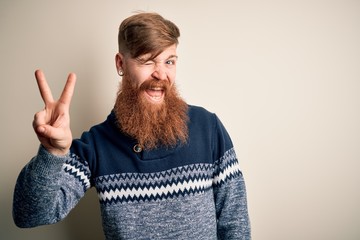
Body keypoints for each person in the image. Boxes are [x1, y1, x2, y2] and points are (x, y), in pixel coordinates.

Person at [13, 12, 251, 239]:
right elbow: (30, 215)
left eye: (169, 61)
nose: (161, 74)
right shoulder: (96, 145)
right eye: (147, 61)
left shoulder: (208, 128)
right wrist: (52, 154)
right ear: (121, 63)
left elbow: (234, 223)